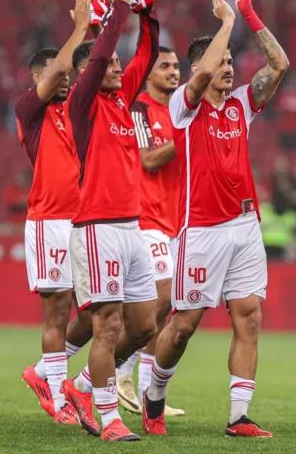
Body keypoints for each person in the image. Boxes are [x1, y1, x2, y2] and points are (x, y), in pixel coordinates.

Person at [141, 0, 288, 438]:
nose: (228, 68)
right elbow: (201, 75)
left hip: (245, 225)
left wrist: (245, 13)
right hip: (201, 230)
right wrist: (223, 22)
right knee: (183, 325)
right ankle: (155, 395)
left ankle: (238, 416)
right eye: (221, 62)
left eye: (230, 62)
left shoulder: (241, 104)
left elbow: (279, 63)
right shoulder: (184, 108)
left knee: (249, 315)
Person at [59, 0, 160, 442]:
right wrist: (118, 6)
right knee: (107, 326)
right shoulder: (81, 103)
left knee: (144, 325)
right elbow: (100, 58)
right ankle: (109, 420)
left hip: (131, 228)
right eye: (110, 65)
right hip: (97, 228)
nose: (120, 68)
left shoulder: (122, 103)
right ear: (87, 73)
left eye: (122, 66)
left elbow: (148, 50)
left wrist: (148, 10)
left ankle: (80, 386)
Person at [17, 0, 92, 426]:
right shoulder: (30, 110)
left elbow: (85, 69)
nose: (61, 79)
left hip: (85, 221)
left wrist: (99, 27)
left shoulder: (79, 111)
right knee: (58, 311)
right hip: (49, 220)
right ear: (36, 78)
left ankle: (45, 373)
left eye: (65, 74)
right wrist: (81, 28)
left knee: (100, 311)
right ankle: (60, 400)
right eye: (51, 74)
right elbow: (66, 65)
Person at [114, 47, 185, 417]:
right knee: (159, 300)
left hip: (174, 220)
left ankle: (145, 393)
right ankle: (116, 373)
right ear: (148, 73)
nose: (174, 72)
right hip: (146, 218)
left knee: (166, 308)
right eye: (165, 66)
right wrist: (185, 136)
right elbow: (148, 158)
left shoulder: (178, 111)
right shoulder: (139, 108)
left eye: (176, 66)